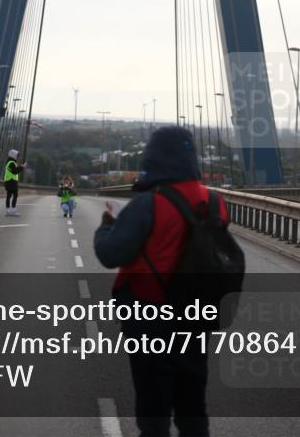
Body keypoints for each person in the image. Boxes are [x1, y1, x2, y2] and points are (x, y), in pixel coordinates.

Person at [94, 125, 229, 437]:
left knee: (154, 406)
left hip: (150, 316)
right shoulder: (214, 203)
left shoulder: (148, 204)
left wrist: (105, 228)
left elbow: (111, 254)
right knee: (193, 404)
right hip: (196, 316)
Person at [3, 148, 26, 216]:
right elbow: (14, 171)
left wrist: (21, 167)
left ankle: (10, 210)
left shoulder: (11, 163)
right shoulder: (11, 163)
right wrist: (22, 167)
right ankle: (11, 210)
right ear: (13, 155)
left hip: (11, 181)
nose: (17, 157)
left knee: (10, 195)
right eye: (17, 155)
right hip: (11, 181)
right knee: (13, 195)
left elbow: (14, 170)